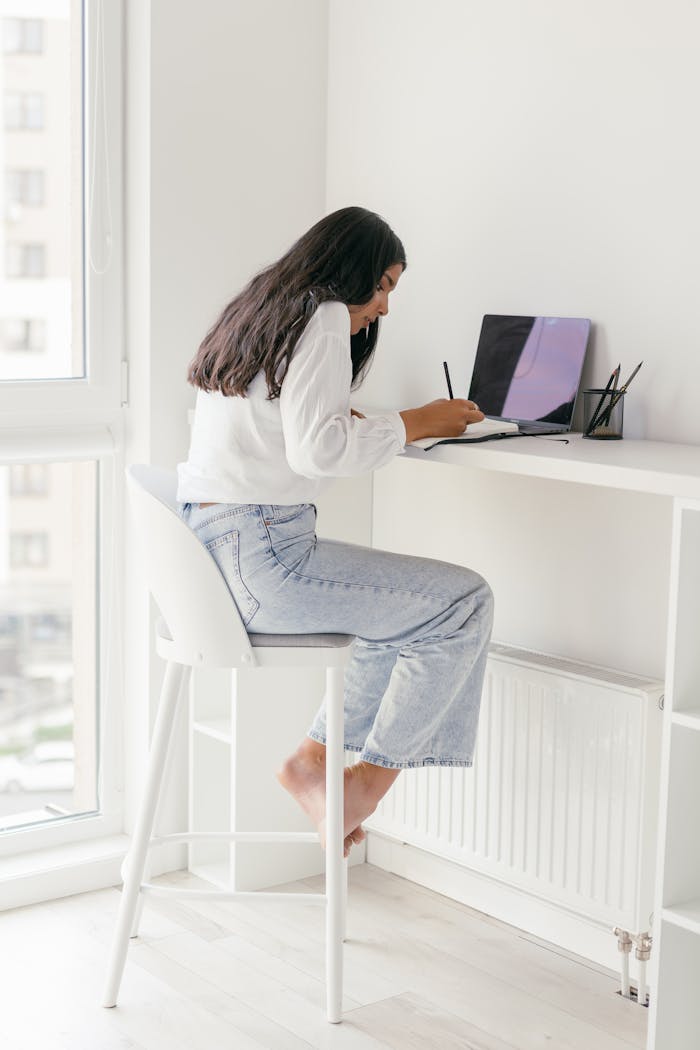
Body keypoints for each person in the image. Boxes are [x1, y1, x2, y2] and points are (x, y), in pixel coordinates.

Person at [177, 206, 494, 856]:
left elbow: (290, 427)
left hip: (216, 560)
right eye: (383, 287)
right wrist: (417, 421)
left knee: (400, 614)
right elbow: (317, 453)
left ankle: (315, 763)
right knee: (464, 605)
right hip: (266, 558)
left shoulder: (264, 312)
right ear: (352, 272)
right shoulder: (322, 315)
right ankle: (365, 785)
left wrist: (365, 419)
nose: (382, 308)